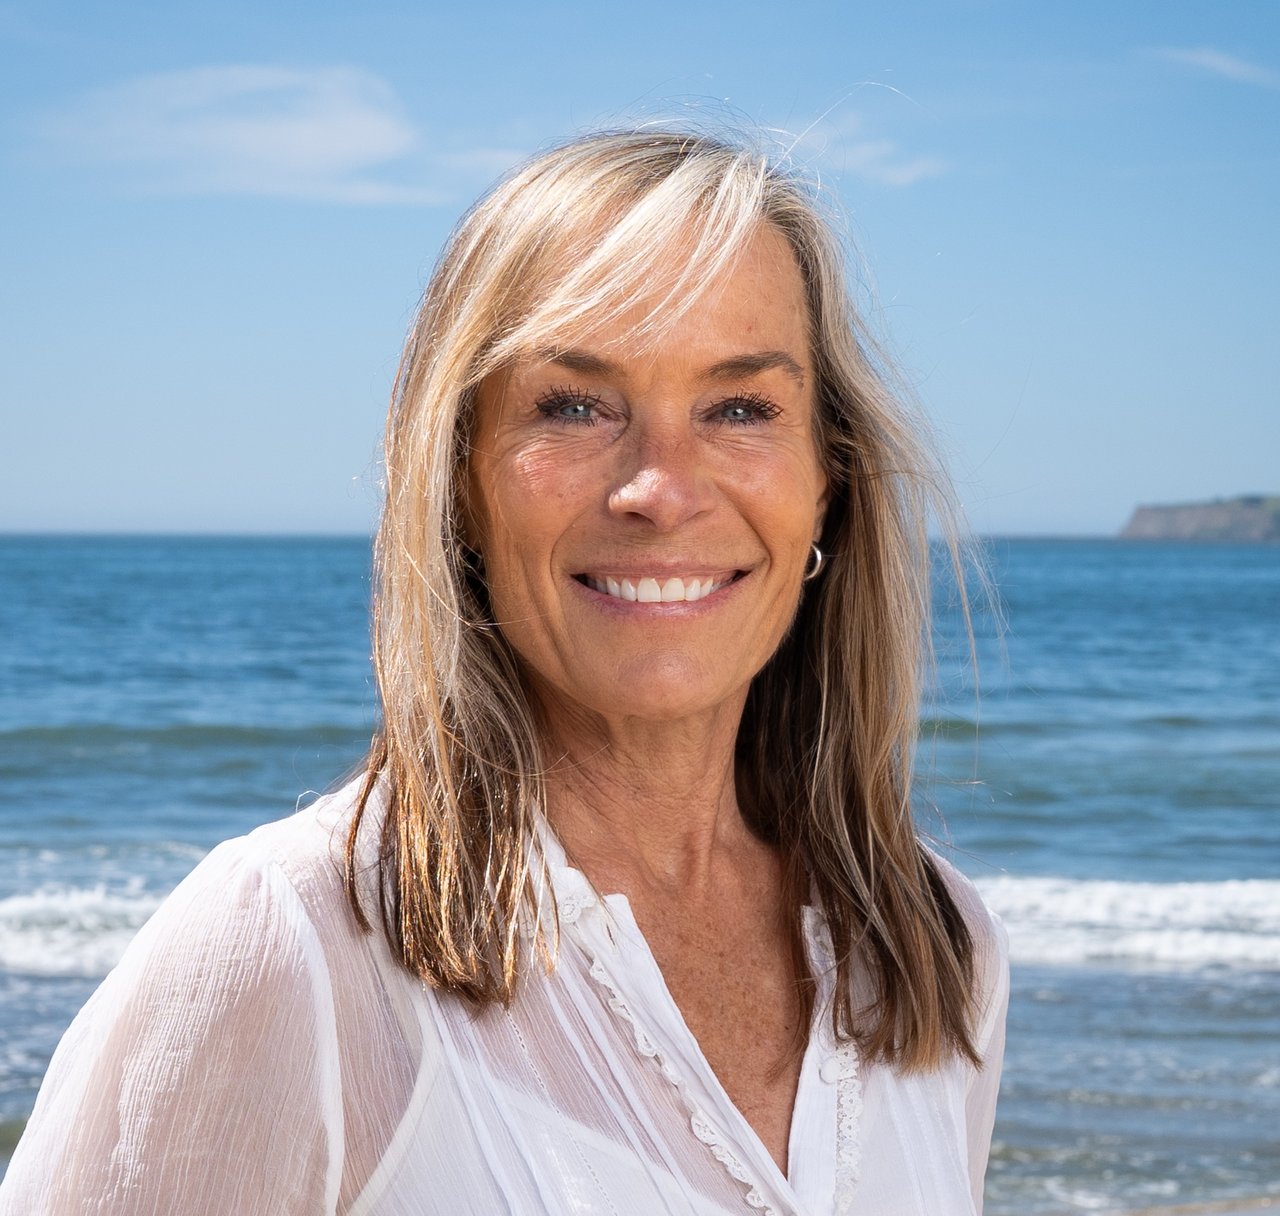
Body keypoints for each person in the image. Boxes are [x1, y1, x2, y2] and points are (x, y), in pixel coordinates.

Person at [0, 128, 1008, 1215]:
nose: (658, 488)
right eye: (572, 405)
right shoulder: (295, 945)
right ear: (461, 483)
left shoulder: (934, 951)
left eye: (738, 407)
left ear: (827, 482)